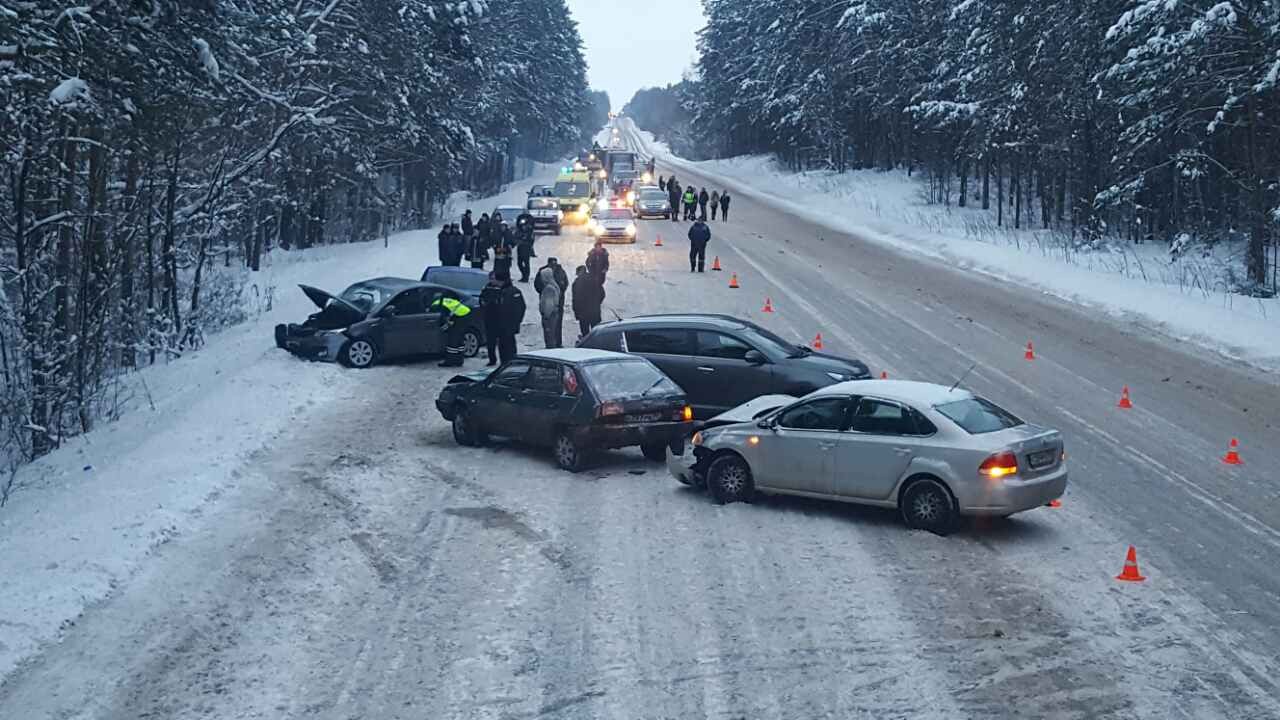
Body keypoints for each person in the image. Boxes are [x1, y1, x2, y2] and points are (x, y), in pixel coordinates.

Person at [534, 256, 569, 347]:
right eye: (551, 263)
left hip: (557, 303)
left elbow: (565, 283)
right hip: (549, 302)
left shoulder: (561, 272)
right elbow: (537, 284)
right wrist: (543, 290)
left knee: (555, 324)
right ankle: (551, 343)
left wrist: (559, 293)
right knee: (550, 326)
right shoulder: (543, 272)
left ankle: (556, 343)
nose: (553, 265)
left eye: (555, 263)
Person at [432, 293, 473, 367]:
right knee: (460, 340)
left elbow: (443, 319)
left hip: (459, 317)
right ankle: (459, 360)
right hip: (466, 315)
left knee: (452, 342)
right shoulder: (445, 301)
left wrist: (446, 329)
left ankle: (450, 361)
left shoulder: (437, 305)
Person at [494, 269, 525, 364]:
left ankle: (509, 364)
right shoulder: (503, 292)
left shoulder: (509, 292)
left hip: (507, 327)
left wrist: (515, 322)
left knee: (507, 348)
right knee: (505, 346)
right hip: (503, 327)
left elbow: (520, 308)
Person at [571, 265, 605, 339]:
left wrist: (576, 312)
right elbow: (602, 294)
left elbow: (575, 299)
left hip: (583, 312)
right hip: (595, 311)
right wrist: (597, 303)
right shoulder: (595, 280)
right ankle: (597, 346)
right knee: (596, 332)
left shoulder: (576, 283)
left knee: (585, 333)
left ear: (579, 272)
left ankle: (587, 347)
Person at [536, 263, 562, 349]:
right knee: (552, 334)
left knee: (549, 336)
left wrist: (546, 317)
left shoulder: (548, 289)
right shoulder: (554, 285)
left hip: (549, 316)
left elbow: (549, 305)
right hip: (554, 314)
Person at [479, 272, 504, 365]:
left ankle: (503, 359)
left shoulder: (501, 289)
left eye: (494, 278)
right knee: (490, 341)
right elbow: (481, 299)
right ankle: (492, 359)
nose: (492, 280)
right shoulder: (486, 288)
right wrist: (484, 304)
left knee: (502, 341)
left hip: (500, 318)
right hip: (489, 318)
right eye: (491, 278)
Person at [515, 209, 537, 282]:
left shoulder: (530, 230)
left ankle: (526, 277)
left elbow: (532, 239)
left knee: (526, 262)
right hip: (520, 246)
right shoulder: (519, 228)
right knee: (519, 263)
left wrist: (529, 245)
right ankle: (523, 274)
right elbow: (517, 229)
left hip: (526, 246)